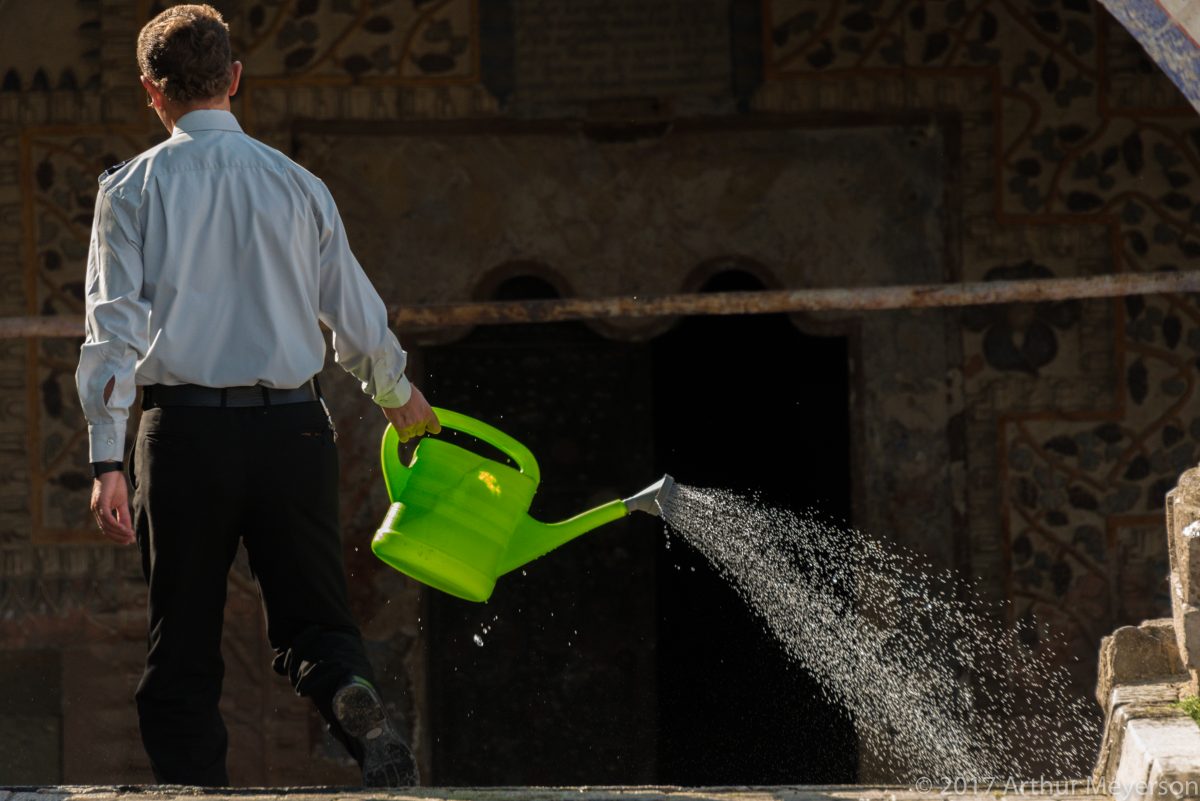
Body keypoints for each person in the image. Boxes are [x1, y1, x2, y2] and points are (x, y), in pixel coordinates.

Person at [74, 4, 439, 787]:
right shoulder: (298, 185)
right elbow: (353, 309)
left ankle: (198, 792)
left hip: (185, 438)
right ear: (235, 79)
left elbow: (112, 333)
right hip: (294, 433)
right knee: (317, 623)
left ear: (151, 92)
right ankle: (348, 691)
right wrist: (397, 391)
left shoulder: (131, 190)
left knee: (183, 643)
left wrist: (107, 457)